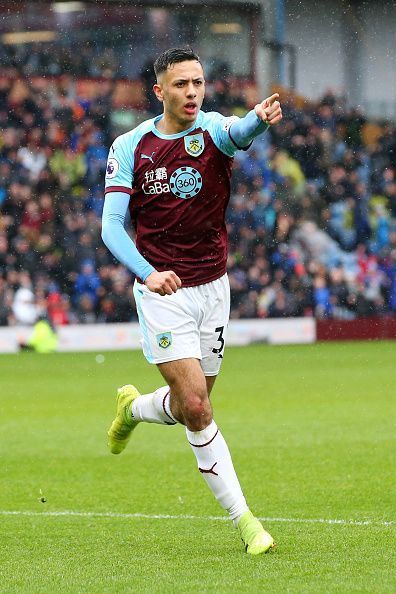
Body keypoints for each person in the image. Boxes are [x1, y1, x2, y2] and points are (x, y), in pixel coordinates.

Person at [102, 47, 282, 555]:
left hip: (213, 289)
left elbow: (239, 133)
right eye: (181, 85)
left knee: (190, 406)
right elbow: (111, 227)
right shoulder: (130, 146)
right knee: (199, 408)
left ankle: (134, 409)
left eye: (198, 83)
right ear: (159, 91)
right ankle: (246, 522)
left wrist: (258, 121)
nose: (192, 93)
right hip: (162, 293)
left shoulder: (214, 130)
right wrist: (148, 273)